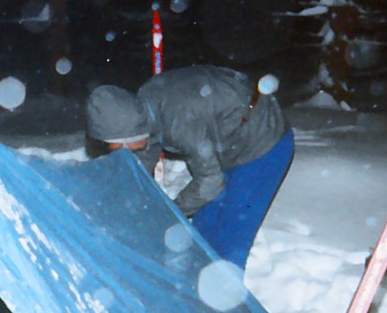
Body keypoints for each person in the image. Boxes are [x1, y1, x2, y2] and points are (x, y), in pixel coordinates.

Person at [86, 66, 294, 270]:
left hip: (264, 144)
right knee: (202, 231)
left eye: (121, 146)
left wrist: (170, 212)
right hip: (227, 140)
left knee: (230, 238)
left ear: (129, 136)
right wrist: (134, 207)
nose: (122, 152)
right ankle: (194, 289)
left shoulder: (179, 121)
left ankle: (224, 298)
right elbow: (143, 161)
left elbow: (210, 183)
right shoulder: (143, 109)